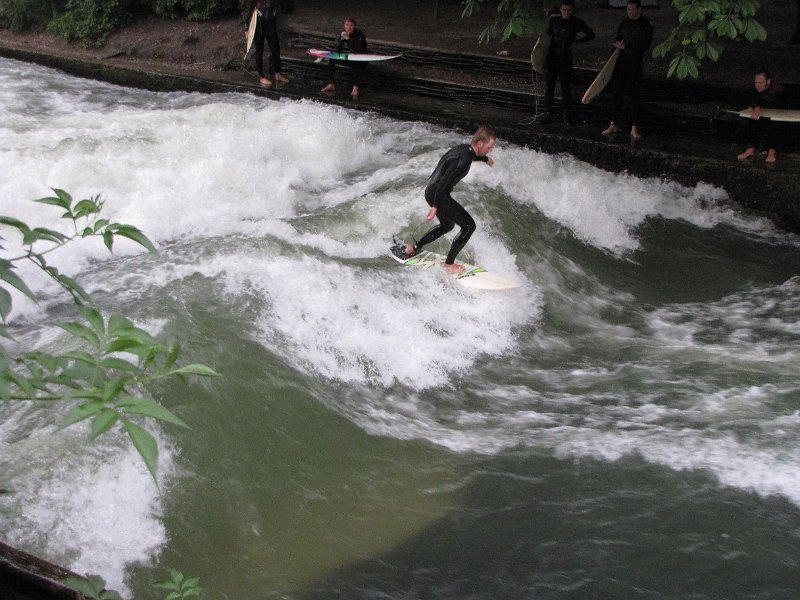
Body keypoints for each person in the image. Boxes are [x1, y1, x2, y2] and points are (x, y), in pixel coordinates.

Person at [400, 127, 496, 275]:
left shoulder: (466, 150)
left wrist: (484, 159)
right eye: (489, 147)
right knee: (469, 226)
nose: (490, 150)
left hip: (432, 191)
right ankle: (449, 265)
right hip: (439, 193)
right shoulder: (463, 160)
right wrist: (435, 207)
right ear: (479, 144)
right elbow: (443, 184)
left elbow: (472, 157)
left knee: (447, 225)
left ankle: (414, 247)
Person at [601, 0, 653, 140]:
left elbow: (645, 46)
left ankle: (634, 127)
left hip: (635, 64)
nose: (630, 12)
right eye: (628, 9)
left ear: (639, 9)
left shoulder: (645, 25)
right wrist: (612, 57)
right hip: (621, 64)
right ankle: (613, 124)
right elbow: (617, 41)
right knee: (617, 94)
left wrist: (627, 48)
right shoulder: (624, 23)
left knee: (634, 95)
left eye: (633, 10)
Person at [537, 0, 595, 125]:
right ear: (561, 9)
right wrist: (540, 56)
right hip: (552, 58)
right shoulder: (554, 19)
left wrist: (577, 42)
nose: (566, 13)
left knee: (565, 88)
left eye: (569, 10)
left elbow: (591, 34)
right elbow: (546, 37)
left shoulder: (576, 22)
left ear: (572, 10)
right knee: (549, 87)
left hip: (565, 58)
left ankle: (566, 115)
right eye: (564, 10)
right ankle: (548, 114)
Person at [737, 69, 786, 164]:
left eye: (761, 82)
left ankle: (772, 152)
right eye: (756, 82)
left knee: (775, 123)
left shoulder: (777, 88)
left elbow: (770, 100)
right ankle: (750, 149)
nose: (757, 85)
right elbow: (752, 99)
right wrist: (756, 107)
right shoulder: (755, 88)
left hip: (779, 112)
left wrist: (758, 107)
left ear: (768, 81)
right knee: (748, 120)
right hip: (764, 113)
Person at [320, 17, 368, 98]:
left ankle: (355, 88)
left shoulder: (360, 35)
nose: (349, 27)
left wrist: (348, 39)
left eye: (351, 25)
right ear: (344, 26)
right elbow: (338, 51)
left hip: (361, 60)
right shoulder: (344, 34)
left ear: (354, 26)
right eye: (347, 25)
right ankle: (331, 84)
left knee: (355, 62)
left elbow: (357, 51)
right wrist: (342, 40)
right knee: (332, 59)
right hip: (350, 58)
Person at [245, 0, 289, 87]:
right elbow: (250, 11)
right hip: (259, 26)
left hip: (270, 25)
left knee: (276, 50)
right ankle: (262, 77)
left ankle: (278, 74)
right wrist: (247, 29)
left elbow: (285, 8)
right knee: (259, 51)